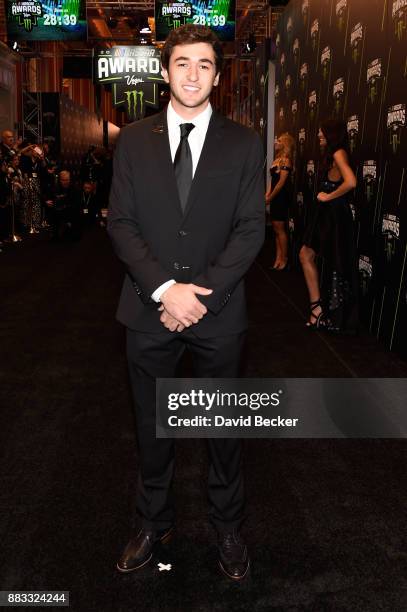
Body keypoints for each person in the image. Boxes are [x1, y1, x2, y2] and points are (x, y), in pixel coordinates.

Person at [108, 24, 265, 581]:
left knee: (223, 430)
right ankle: (154, 521)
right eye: (182, 64)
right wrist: (164, 290)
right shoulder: (131, 140)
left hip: (217, 313)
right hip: (147, 310)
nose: (192, 74)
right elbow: (122, 225)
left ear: (217, 77)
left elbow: (251, 230)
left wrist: (202, 294)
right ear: (166, 71)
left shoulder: (245, 144)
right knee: (152, 428)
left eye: (204, 65)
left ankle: (228, 528)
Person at [299, 119, 358, 333]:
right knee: (307, 255)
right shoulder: (333, 153)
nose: (319, 136)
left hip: (333, 213)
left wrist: (329, 196)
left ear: (332, 134)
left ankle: (320, 312)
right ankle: (319, 311)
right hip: (329, 213)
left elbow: (351, 182)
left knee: (308, 255)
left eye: (323, 132)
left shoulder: (338, 153)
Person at [265, 133, 294, 270]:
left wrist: (270, 198)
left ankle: (285, 258)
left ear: (285, 144)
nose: (276, 141)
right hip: (274, 196)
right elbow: (272, 180)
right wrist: (267, 194)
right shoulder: (276, 159)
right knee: (276, 229)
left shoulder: (286, 161)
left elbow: (281, 183)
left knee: (280, 229)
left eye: (279, 140)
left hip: (281, 197)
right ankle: (278, 258)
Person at [45, 170, 80, 241]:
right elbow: (48, 198)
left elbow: (76, 205)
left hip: (70, 212)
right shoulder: (55, 188)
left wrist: (65, 205)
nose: (65, 182)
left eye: (67, 180)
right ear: (59, 180)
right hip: (57, 212)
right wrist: (47, 202)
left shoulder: (75, 189)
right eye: (63, 180)